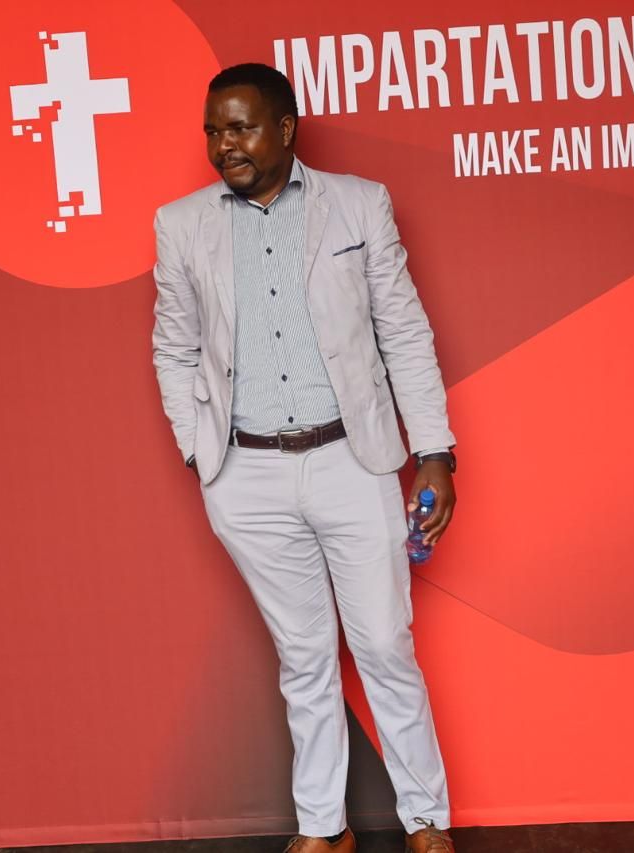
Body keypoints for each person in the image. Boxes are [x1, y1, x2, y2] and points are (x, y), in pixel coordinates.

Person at [151, 63, 458, 853]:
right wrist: (197, 447)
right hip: (246, 474)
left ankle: (427, 819)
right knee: (304, 656)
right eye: (213, 130)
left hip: (352, 460)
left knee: (383, 644)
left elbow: (405, 332)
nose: (225, 145)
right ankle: (323, 826)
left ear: (285, 128)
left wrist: (434, 450)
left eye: (241, 127)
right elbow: (173, 347)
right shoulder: (181, 225)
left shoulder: (358, 204)